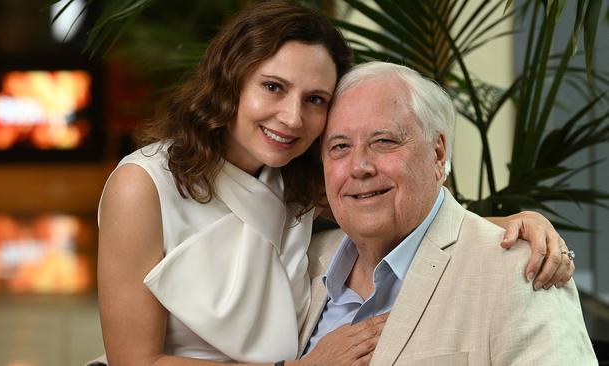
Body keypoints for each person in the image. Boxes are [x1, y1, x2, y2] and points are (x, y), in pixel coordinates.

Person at [94, 1, 575, 365]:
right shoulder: (143, 186)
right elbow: (133, 362)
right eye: (273, 87)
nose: (291, 117)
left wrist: (517, 225)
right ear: (232, 79)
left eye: (316, 99)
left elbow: (405, 218)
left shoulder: (298, 175)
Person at [300, 61, 596, 365]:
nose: (360, 166)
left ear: (438, 154)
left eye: (384, 141)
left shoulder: (522, 269)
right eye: (339, 147)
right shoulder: (301, 262)